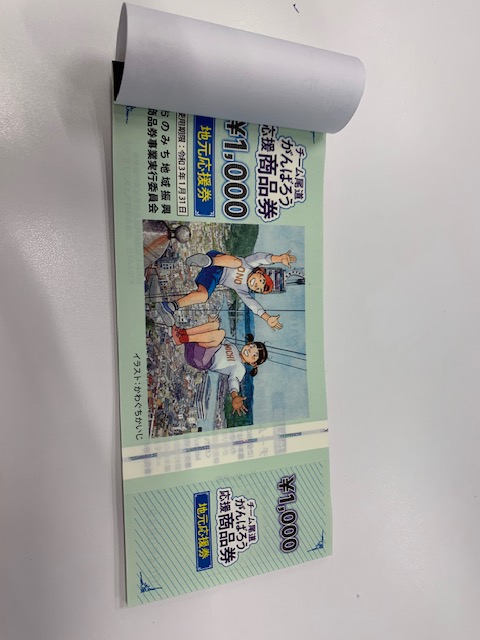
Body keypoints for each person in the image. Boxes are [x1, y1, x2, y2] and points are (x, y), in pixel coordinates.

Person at [156, 249, 296, 330]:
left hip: (214, 277)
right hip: (217, 260)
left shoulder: (243, 290)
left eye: (258, 289)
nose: (257, 285)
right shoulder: (249, 264)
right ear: (260, 273)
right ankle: (206, 261)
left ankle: (169, 307)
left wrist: (267, 318)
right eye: (261, 281)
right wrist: (279, 258)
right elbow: (262, 258)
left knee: (203, 296)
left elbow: (253, 305)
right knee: (237, 262)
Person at [171, 317, 268, 416]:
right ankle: (182, 334)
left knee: (221, 333)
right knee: (215, 326)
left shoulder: (240, 368)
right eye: (252, 346)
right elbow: (214, 337)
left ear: (253, 364)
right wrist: (210, 324)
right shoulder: (233, 347)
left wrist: (235, 396)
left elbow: (233, 380)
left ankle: (182, 338)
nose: (250, 350)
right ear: (249, 343)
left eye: (254, 355)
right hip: (195, 348)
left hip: (203, 359)